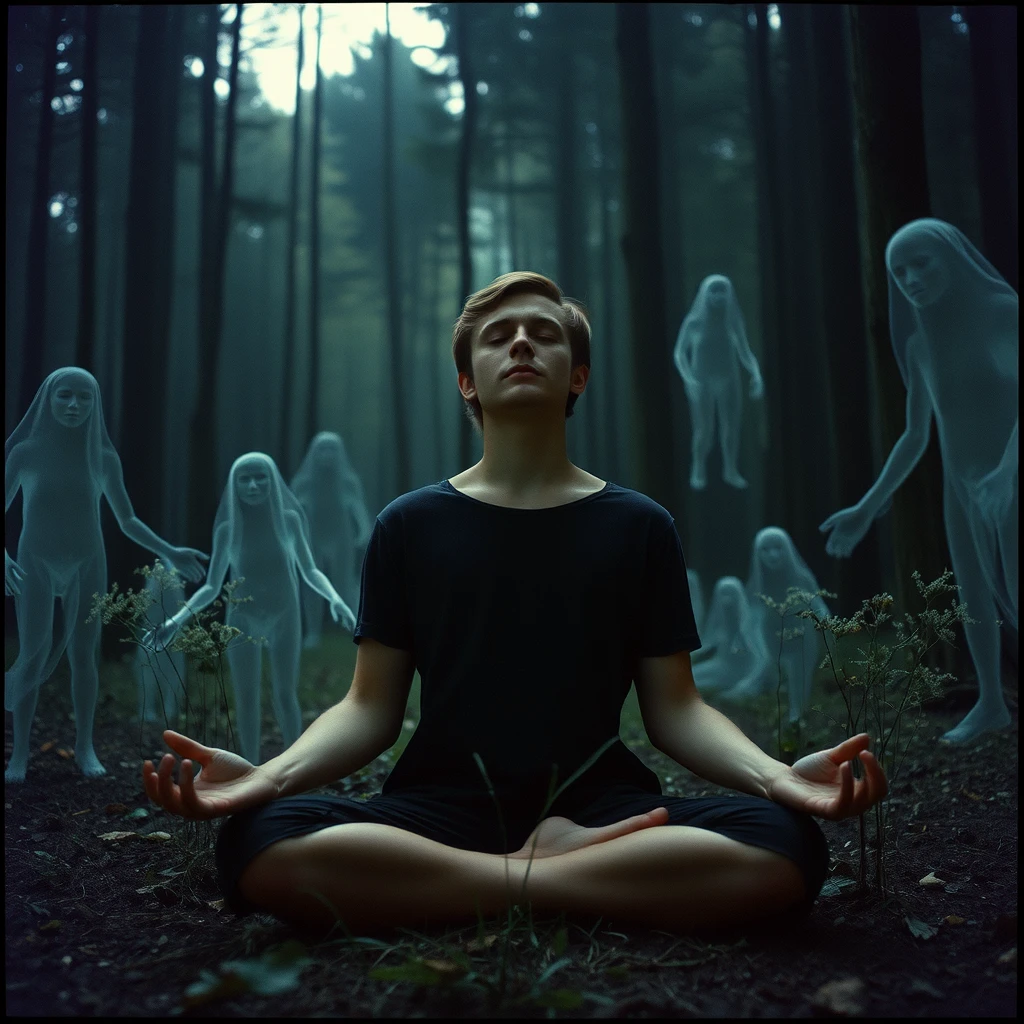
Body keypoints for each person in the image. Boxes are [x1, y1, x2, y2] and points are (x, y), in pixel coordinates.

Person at [142, 273, 886, 939]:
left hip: (600, 808)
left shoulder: (640, 526)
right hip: (438, 807)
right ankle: (544, 879)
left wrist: (774, 777)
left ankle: (475, 885)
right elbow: (369, 709)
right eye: (499, 337)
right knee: (257, 841)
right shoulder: (408, 525)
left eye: (544, 334)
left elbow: (676, 710)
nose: (522, 343)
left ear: (578, 376)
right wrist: (268, 779)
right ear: (469, 382)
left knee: (786, 847)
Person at [819, 219, 1017, 744]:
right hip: (961, 485)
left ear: (951, 257)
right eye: (898, 270)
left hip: (1009, 478)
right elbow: (914, 436)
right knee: (972, 591)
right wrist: (866, 507)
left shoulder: (1002, 315)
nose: (910, 278)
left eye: (921, 262)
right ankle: (992, 702)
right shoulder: (921, 344)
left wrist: (1005, 475)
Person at [5, 366, 208, 782]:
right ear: (48, 398)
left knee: (85, 656)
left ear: (95, 403)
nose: (74, 404)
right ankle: (19, 754)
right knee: (31, 653)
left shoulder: (102, 458)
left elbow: (127, 519)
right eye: (65, 395)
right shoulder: (26, 452)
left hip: (87, 562)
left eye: (84, 397)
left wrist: (169, 549)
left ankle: (85, 747)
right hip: (35, 561)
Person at [144, 452, 357, 765]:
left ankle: (295, 767)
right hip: (242, 618)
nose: (254, 485)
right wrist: (175, 621)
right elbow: (212, 586)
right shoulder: (228, 530)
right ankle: (251, 768)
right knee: (246, 698)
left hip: (285, 615)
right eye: (245, 479)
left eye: (262, 478)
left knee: (285, 694)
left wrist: (335, 598)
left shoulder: (289, 520)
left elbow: (308, 569)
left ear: (273, 482)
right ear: (234, 484)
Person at [673, 274, 764, 490]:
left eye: (722, 290)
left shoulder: (732, 322)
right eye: (714, 290)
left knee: (730, 427)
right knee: (704, 429)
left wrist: (757, 374)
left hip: (728, 379)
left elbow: (744, 352)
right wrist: (688, 379)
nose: (718, 295)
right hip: (701, 381)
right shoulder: (694, 322)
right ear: (705, 294)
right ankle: (698, 467)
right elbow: (679, 353)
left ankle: (730, 469)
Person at [290, 432, 373, 649]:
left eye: (332, 449)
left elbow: (359, 509)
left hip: (341, 538)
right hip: (312, 538)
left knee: (345, 583)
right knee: (312, 585)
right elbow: (291, 512)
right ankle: (313, 632)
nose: (327, 454)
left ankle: (354, 629)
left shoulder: (348, 482)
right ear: (314, 453)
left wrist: (363, 533)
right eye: (322, 449)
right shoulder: (304, 483)